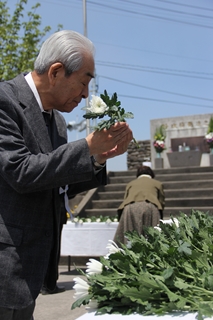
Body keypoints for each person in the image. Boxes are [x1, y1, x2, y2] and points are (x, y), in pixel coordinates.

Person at [0, 30, 133, 320]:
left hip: (32, 268)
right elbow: (20, 172)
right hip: (6, 268)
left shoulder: (57, 122)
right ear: (56, 72)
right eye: (84, 82)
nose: (86, 94)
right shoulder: (5, 101)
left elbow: (55, 180)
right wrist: (85, 147)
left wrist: (98, 158)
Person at [113, 165, 165, 245]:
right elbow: (161, 201)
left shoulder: (131, 184)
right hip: (150, 207)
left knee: (130, 236)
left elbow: (126, 198)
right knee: (152, 237)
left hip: (130, 208)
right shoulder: (157, 183)